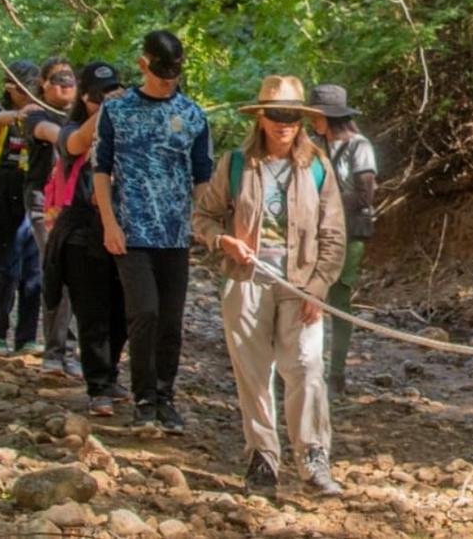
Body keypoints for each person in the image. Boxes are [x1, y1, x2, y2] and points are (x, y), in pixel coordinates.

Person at [193, 75, 346, 497]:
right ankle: (262, 459)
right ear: (260, 117)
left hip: (300, 284)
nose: (284, 124)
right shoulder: (235, 163)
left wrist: (319, 287)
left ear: (302, 120)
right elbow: (203, 217)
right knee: (254, 374)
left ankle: (314, 458)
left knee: (307, 368)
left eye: (292, 117)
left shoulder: (318, 166)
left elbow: (333, 234)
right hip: (246, 281)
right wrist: (223, 241)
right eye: (277, 116)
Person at [94, 30, 214, 433]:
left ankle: (165, 396)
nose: (168, 80)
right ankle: (143, 396)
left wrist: (208, 222)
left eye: (174, 73)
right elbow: (101, 170)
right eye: (161, 72)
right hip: (132, 232)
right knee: (143, 312)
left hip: (176, 234)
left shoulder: (194, 115)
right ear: (144, 64)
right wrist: (110, 223)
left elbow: (202, 177)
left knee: (170, 321)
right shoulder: (117, 111)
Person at [41, 61, 130, 416]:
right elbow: (76, 145)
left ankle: (109, 374)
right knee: (92, 312)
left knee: (123, 312)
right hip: (80, 233)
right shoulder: (74, 128)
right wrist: (109, 110)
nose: (104, 102)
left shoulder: (128, 130)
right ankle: (98, 386)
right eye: (97, 97)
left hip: (122, 230)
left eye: (110, 95)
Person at [307, 84, 377, 397]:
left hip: (349, 231)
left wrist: (323, 202)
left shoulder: (358, 146)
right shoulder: (312, 144)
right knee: (310, 295)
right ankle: (307, 367)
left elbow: (365, 194)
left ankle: (336, 372)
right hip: (315, 231)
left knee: (339, 298)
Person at [23, 57, 81, 377]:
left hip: (77, 205)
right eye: (57, 78)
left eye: (70, 78)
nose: (65, 83)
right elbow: (50, 133)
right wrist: (78, 135)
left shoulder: (82, 116)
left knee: (76, 277)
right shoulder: (36, 115)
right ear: (44, 83)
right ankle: (56, 351)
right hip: (44, 203)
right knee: (58, 271)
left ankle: (66, 349)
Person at [0, 60, 43, 354]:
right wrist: (19, 114)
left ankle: (27, 336)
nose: (30, 93)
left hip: (31, 186)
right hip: (2, 186)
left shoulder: (43, 111)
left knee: (34, 268)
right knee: (8, 265)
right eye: (24, 87)